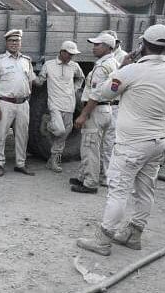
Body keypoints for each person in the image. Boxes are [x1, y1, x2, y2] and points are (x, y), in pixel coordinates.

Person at [76, 24, 165, 256]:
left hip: (132, 142)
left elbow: (101, 92)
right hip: (159, 140)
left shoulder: (131, 71)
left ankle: (103, 239)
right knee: (145, 189)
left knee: (118, 190)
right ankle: (134, 234)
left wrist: (121, 67)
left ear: (142, 46)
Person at [70, 33, 118, 194]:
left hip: (96, 110)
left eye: (98, 45)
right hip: (106, 109)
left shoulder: (102, 67)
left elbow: (96, 94)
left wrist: (83, 114)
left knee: (91, 147)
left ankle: (90, 183)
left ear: (107, 47)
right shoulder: (113, 62)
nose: (94, 47)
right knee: (89, 145)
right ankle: (83, 176)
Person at [0, 29, 36, 177]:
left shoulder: (26, 60)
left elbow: (30, 80)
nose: (14, 43)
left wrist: (28, 98)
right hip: (6, 103)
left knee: (23, 135)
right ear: (6, 43)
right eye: (11, 41)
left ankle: (20, 164)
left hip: (23, 103)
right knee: (0, 134)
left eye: (17, 41)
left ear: (20, 43)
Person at [33, 41, 85, 172]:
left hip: (69, 105)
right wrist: (29, 74)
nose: (71, 56)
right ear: (62, 52)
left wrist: (75, 89)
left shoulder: (74, 66)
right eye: (69, 53)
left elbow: (81, 78)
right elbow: (39, 82)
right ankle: (47, 123)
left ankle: (53, 160)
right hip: (54, 104)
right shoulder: (49, 65)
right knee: (60, 130)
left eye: (73, 54)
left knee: (64, 135)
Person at [100, 30, 128, 185]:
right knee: (101, 141)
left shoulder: (123, 57)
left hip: (115, 105)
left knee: (110, 142)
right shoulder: (105, 58)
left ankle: (107, 175)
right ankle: (101, 170)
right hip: (104, 105)